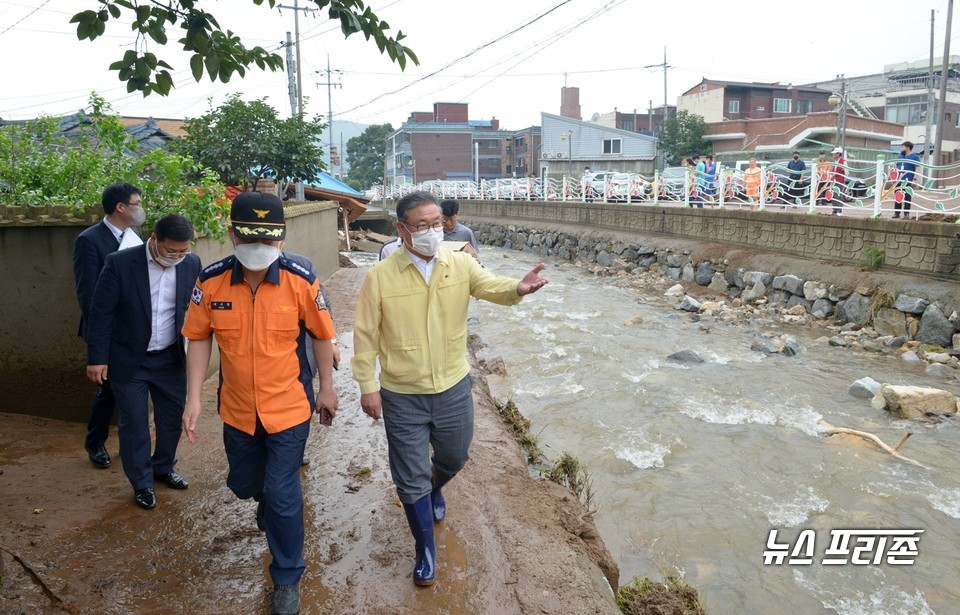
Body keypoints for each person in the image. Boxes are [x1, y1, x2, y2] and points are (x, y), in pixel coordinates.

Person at [352, 191, 549, 587]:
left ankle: (433, 487)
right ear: (401, 228)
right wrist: (367, 386)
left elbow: (491, 285)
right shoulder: (380, 276)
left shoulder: (460, 264)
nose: (430, 231)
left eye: (436, 223)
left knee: (455, 457)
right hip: (402, 392)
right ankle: (425, 551)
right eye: (421, 225)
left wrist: (518, 288)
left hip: (453, 385)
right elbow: (365, 335)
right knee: (409, 477)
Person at [181, 191, 338, 615]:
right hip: (236, 410)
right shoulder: (211, 282)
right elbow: (197, 337)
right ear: (232, 235)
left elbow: (322, 334)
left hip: (288, 407)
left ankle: (287, 577)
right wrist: (193, 398)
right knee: (245, 485)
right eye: (251, 238)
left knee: (283, 491)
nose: (261, 249)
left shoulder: (300, 278)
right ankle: (263, 499)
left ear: (281, 240)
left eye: (269, 240)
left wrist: (326, 387)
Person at [85, 214, 201, 509]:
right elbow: (101, 313)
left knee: (170, 420)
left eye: (182, 251)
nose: (176, 256)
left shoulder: (191, 264)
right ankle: (142, 483)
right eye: (170, 250)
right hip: (129, 360)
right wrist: (97, 358)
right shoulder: (120, 263)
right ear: (153, 240)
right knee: (135, 423)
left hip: (170, 358)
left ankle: (163, 468)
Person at [72, 182, 146, 469]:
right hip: (108, 329)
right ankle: (95, 442)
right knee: (110, 389)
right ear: (121, 207)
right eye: (137, 203)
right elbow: (88, 294)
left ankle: (123, 443)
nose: (140, 209)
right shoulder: (90, 240)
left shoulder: (135, 236)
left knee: (123, 387)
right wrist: (98, 344)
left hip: (134, 329)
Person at [894, 141, 921, 219]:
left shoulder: (914, 157)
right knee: (898, 196)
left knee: (907, 197)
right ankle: (897, 213)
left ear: (907, 147)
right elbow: (895, 167)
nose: (901, 149)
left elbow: (917, 168)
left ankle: (906, 214)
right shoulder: (900, 157)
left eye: (902, 147)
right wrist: (893, 178)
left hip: (908, 181)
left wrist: (915, 179)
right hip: (899, 181)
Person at [831, 147, 847, 215]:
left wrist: (843, 180)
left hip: (840, 181)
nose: (833, 154)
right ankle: (835, 210)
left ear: (838, 154)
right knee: (833, 195)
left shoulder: (843, 162)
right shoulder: (835, 162)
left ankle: (839, 210)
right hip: (834, 181)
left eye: (834, 153)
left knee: (838, 195)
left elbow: (846, 173)